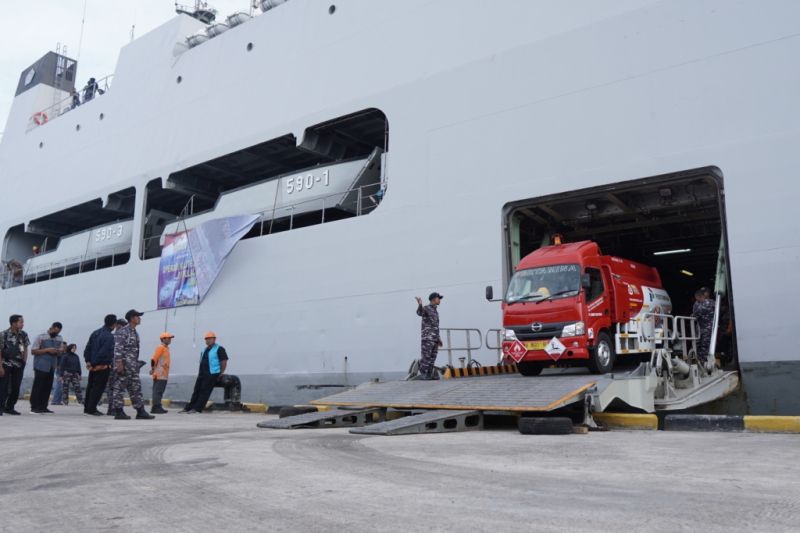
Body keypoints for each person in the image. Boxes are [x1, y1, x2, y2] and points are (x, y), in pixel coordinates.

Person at [110, 310, 154, 420]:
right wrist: (119, 364)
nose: (139, 318)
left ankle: (140, 411)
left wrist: (136, 364)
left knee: (136, 388)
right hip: (124, 365)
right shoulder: (123, 331)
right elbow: (118, 348)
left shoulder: (134, 332)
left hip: (133, 366)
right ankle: (119, 411)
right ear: (131, 318)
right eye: (137, 316)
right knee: (119, 388)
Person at [180, 332, 228, 414]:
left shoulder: (219, 349)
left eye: (210, 339)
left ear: (214, 339)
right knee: (196, 390)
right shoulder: (204, 349)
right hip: (202, 373)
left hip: (212, 373)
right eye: (206, 339)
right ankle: (189, 407)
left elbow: (224, 361)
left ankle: (197, 409)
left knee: (204, 391)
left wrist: (221, 373)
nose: (208, 340)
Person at [83, 314, 117, 416]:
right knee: (98, 388)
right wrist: (95, 364)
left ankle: (87, 408)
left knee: (90, 387)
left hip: (92, 366)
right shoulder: (109, 336)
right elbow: (104, 352)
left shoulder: (95, 333)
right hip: (101, 366)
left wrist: (88, 362)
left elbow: (87, 348)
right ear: (114, 324)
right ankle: (92, 409)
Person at [30, 322, 64, 414]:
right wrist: (47, 350)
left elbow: (61, 350)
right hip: (41, 365)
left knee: (47, 387)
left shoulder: (59, 338)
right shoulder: (41, 337)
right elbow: (33, 351)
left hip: (52, 366)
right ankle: (34, 407)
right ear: (51, 328)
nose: (56, 334)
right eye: (55, 331)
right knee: (38, 386)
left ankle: (43, 406)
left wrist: (59, 351)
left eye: (58, 332)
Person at [0, 315, 30, 416]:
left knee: (16, 386)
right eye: (21, 322)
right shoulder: (3, 334)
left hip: (19, 365)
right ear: (13, 323)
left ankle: (10, 407)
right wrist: (0, 366)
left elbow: (25, 348)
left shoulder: (23, 334)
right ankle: (1, 407)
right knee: (3, 386)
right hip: (6, 363)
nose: (23, 324)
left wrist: (24, 361)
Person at [414, 292, 443, 380]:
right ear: (433, 299)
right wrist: (420, 304)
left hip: (434, 339)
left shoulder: (435, 311)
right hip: (427, 338)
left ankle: (429, 375)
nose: (440, 300)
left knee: (432, 358)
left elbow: (435, 326)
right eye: (438, 298)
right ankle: (423, 374)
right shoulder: (426, 308)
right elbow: (419, 312)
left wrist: (439, 338)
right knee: (426, 357)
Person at [150, 332, 173, 414]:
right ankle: (155, 407)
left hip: (164, 374)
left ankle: (158, 406)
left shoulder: (166, 348)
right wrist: (153, 369)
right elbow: (154, 359)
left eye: (170, 338)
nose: (170, 339)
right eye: (168, 338)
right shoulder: (160, 348)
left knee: (160, 391)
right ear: (163, 339)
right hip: (160, 374)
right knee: (158, 391)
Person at [692, 287, 716, 365]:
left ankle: (704, 362)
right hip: (699, 328)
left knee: (705, 345)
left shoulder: (710, 302)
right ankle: (699, 360)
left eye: (705, 292)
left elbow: (697, 313)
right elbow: (695, 313)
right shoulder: (697, 303)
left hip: (707, 328)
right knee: (698, 344)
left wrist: (694, 315)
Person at [50, 341, 67, 406]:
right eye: (63, 346)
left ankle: (58, 401)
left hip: (65, 371)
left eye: (65, 347)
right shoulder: (59, 353)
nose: (64, 348)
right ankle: (55, 401)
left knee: (61, 386)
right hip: (59, 370)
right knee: (59, 385)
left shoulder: (66, 354)